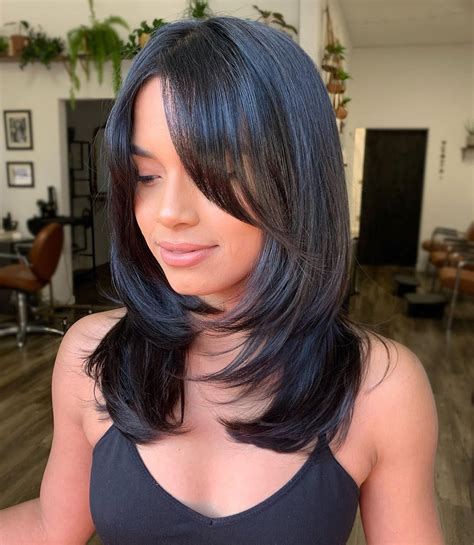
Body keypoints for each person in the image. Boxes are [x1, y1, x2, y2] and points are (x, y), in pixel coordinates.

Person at [0, 15, 444, 545]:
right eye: (146, 176)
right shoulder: (92, 357)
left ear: (296, 177)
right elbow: (52, 525)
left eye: (215, 173)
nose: (169, 213)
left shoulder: (380, 387)